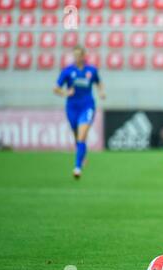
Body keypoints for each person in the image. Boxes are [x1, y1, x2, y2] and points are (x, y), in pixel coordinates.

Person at [54, 45, 105, 179]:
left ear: (83, 56)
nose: (77, 57)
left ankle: (77, 167)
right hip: (72, 107)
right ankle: (82, 155)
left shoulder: (91, 70)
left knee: (82, 135)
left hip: (87, 106)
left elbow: (99, 82)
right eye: (75, 55)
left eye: (79, 55)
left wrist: (101, 92)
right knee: (77, 136)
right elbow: (56, 88)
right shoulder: (67, 71)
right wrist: (66, 92)